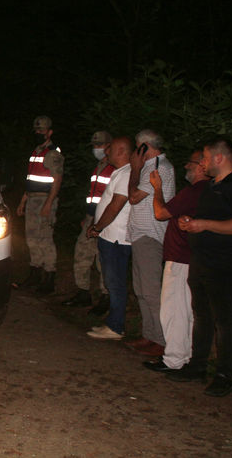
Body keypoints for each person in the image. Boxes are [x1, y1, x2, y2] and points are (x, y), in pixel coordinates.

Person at [169, 137, 232, 397]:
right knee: (202, 316)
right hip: (201, 260)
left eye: (205, 158)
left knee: (224, 320)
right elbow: (206, 218)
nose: (203, 163)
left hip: (224, 263)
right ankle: (197, 366)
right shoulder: (210, 187)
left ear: (219, 157)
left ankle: (223, 375)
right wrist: (190, 221)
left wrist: (204, 225)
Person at [143, 150, 209, 373]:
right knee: (188, 312)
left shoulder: (194, 191)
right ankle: (187, 358)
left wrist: (157, 188)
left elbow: (161, 213)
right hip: (194, 259)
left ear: (202, 166)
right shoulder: (210, 192)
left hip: (181, 259)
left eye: (190, 163)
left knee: (175, 310)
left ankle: (173, 360)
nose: (186, 168)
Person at [126, 129, 175, 357]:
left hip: (151, 236)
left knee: (151, 291)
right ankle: (149, 335)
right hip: (139, 235)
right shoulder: (149, 167)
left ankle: (162, 340)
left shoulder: (160, 168)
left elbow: (134, 196)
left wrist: (134, 168)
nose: (135, 152)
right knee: (141, 290)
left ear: (144, 147)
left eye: (138, 147)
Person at [85, 137, 133, 340]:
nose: (107, 152)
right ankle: (113, 323)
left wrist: (98, 226)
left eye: (110, 149)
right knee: (112, 281)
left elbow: (117, 204)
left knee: (115, 282)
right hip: (109, 235)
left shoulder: (127, 173)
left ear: (122, 151)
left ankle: (115, 327)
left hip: (116, 237)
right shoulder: (120, 172)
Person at [62, 131, 113, 311]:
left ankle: (107, 297)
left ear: (109, 146)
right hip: (92, 217)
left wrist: (102, 222)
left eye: (100, 145)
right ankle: (83, 293)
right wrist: (87, 217)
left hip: (106, 220)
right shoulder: (99, 166)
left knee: (103, 259)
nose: (96, 149)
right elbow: (93, 196)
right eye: (94, 145)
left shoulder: (116, 168)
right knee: (82, 252)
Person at [16, 115, 64, 295]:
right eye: (36, 130)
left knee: (45, 239)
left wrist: (49, 204)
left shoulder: (53, 153)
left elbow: (57, 180)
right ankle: (35, 274)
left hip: (45, 200)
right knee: (32, 238)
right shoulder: (36, 151)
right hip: (32, 199)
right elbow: (31, 180)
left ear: (49, 132)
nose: (38, 133)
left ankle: (49, 278)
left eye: (41, 130)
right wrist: (23, 201)